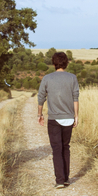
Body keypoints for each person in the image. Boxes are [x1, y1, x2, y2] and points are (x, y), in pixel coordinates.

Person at [37, 51, 80, 188]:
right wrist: (76, 116)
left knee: (57, 149)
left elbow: (41, 97)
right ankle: (66, 178)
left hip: (54, 119)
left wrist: (40, 114)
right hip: (68, 118)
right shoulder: (72, 78)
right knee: (65, 147)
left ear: (54, 63)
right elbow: (75, 98)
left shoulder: (47, 78)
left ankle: (60, 180)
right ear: (66, 63)